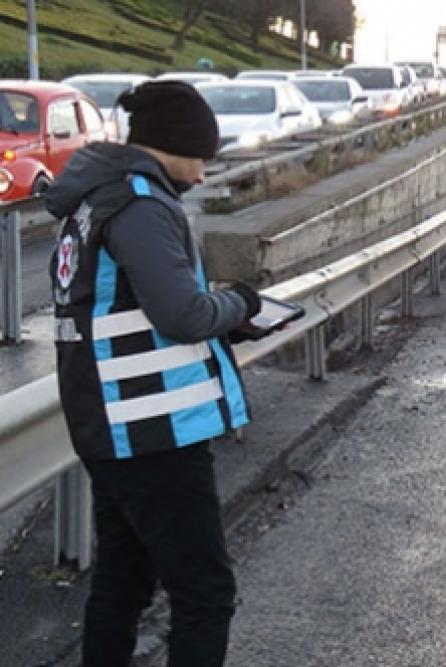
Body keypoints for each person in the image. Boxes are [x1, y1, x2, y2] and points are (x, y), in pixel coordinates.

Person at [45, 81, 263, 667]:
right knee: (205, 593)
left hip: (111, 426)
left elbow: (129, 310)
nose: (200, 176)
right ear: (172, 146)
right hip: (152, 430)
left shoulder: (94, 202)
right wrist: (241, 305)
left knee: (123, 583)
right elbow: (182, 313)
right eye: (199, 158)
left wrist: (220, 318)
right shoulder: (141, 205)